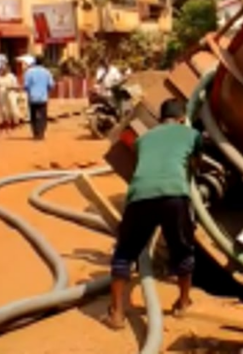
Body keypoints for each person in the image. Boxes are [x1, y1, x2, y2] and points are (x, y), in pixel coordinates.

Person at [104, 98, 201, 330]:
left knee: (125, 252)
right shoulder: (192, 135)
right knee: (182, 249)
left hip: (140, 196)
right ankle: (183, 302)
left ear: (160, 118)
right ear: (181, 118)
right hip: (174, 196)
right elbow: (195, 164)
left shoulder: (144, 138)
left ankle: (117, 313)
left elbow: (145, 164)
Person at [22, 55, 55, 140]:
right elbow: (51, 85)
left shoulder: (29, 72)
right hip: (43, 98)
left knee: (33, 116)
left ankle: (35, 133)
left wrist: (29, 90)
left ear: (35, 62)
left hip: (32, 98)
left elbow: (25, 86)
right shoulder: (47, 72)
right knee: (43, 116)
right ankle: (41, 133)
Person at [0, 62, 21, 133]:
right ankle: (6, 122)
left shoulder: (12, 76)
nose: (3, 70)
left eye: (4, 68)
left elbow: (16, 86)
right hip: (1, 94)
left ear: (7, 69)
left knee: (13, 108)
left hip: (11, 93)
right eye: (2, 68)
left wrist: (11, 88)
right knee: (4, 109)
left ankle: (15, 122)